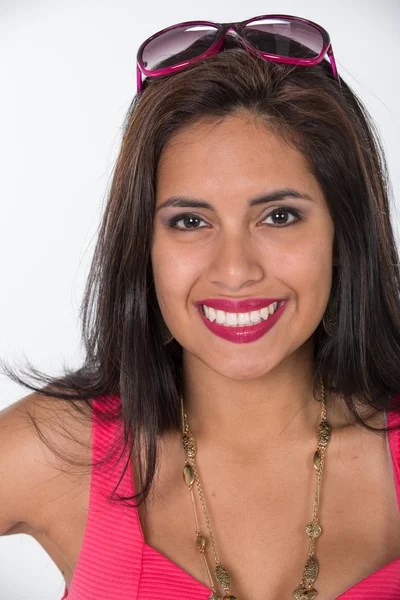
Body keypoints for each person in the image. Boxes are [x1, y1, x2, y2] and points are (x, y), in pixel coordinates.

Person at [1, 13, 400, 600]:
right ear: (146, 247)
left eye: (279, 216)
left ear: (343, 235)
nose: (234, 270)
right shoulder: (55, 452)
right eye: (190, 221)